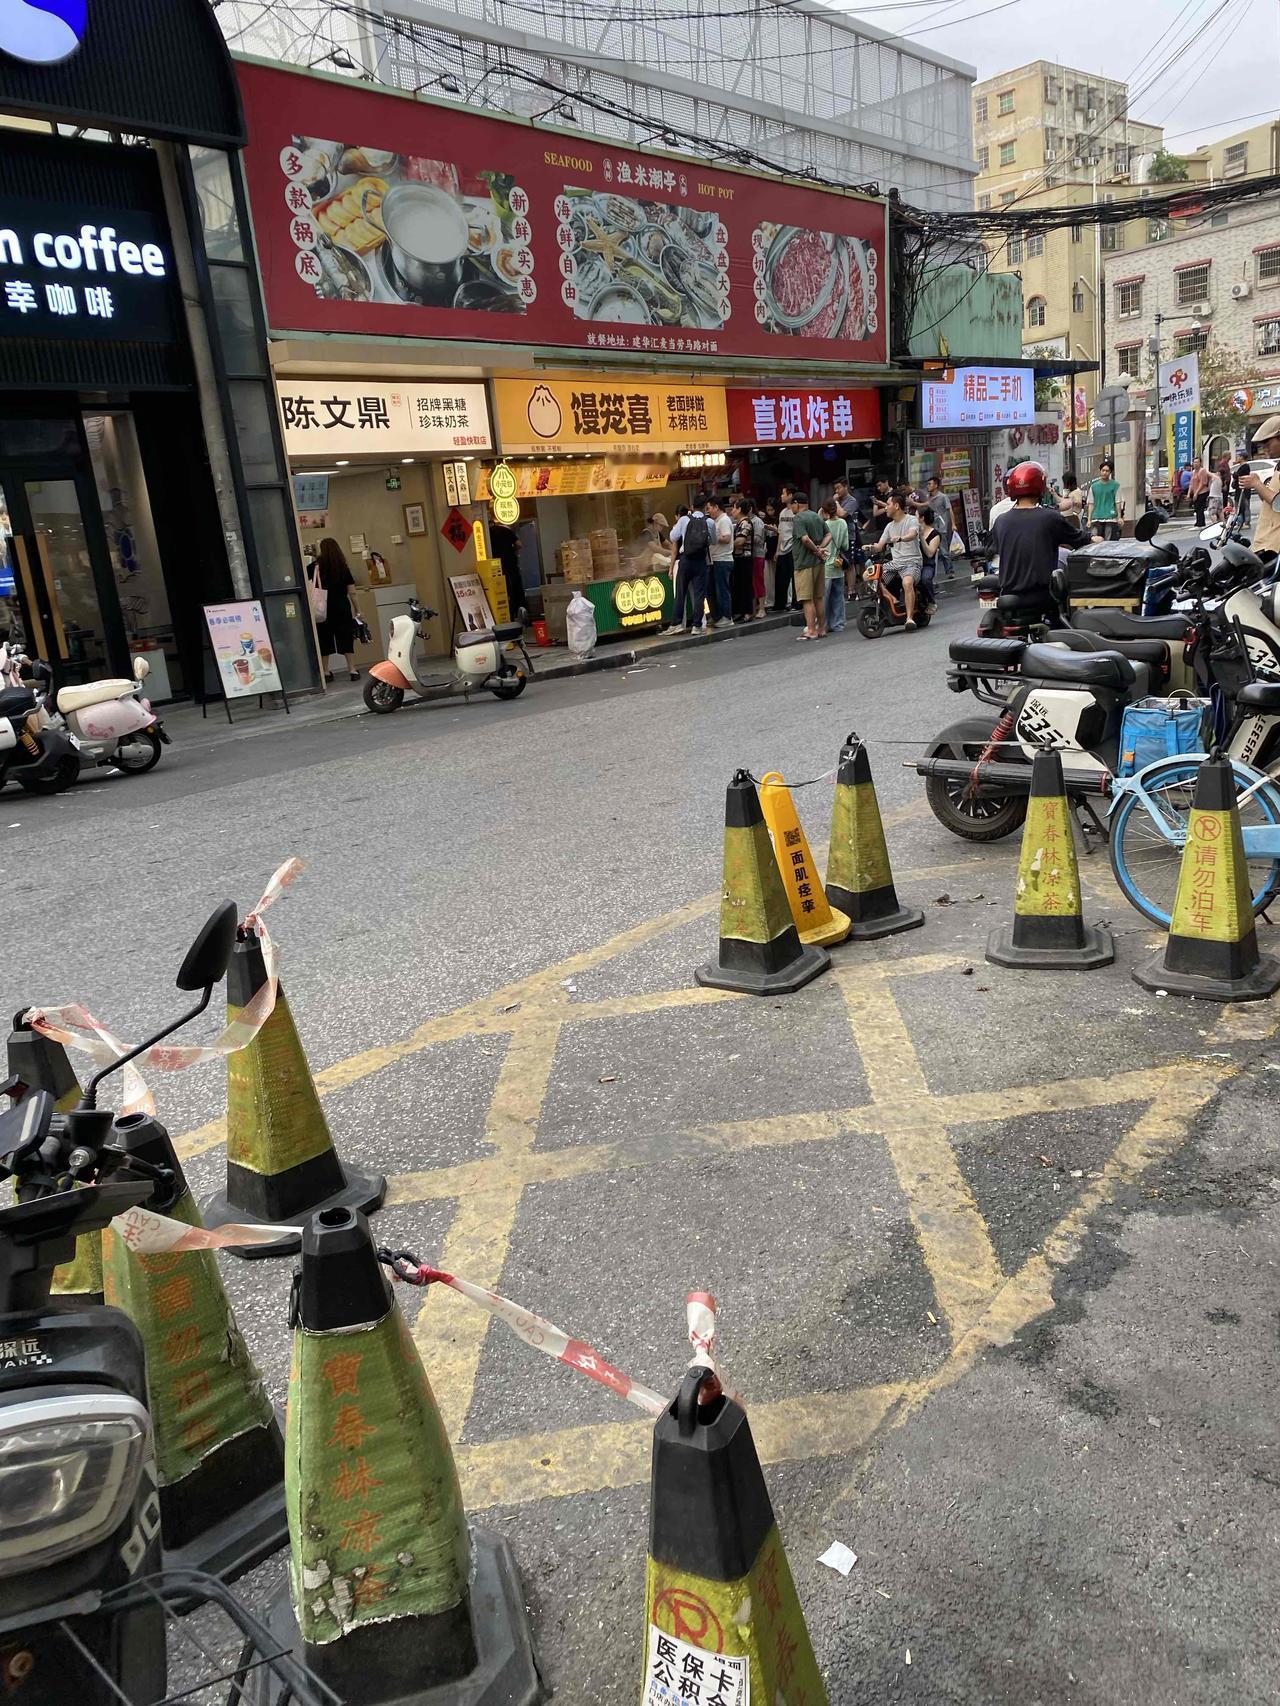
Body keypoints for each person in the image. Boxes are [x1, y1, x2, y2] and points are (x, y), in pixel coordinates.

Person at [990, 461, 1096, 624]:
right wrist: (1095, 539)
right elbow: (1080, 540)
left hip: (1008, 595)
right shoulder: (1050, 517)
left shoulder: (1000, 521)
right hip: (1042, 596)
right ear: (1039, 486)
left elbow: (994, 549)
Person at [870, 489, 925, 629]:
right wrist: (871, 547)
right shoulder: (889, 526)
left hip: (912, 562)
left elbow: (912, 534)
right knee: (869, 576)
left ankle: (909, 618)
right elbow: (880, 546)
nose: (885, 508)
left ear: (896, 506)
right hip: (895, 563)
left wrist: (901, 538)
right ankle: (892, 599)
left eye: (887, 504)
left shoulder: (912, 520)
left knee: (907, 582)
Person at [311, 536, 359, 680]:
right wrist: (358, 609)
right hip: (342, 607)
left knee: (324, 638)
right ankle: (352, 669)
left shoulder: (315, 567)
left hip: (323, 608)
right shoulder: (342, 567)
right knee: (346, 637)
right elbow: (352, 592)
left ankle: (326, 671)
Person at [1235, 416, 1280, 561]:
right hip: (1266, 542)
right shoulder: (1278, 466)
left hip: (1275, 547)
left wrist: (1257, 484)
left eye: (1268, 443)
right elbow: (1270, 501)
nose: (1265, 449)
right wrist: (1258, 485)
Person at [789, 491, 832, 640]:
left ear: (796, 503)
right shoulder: (816, 516)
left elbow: (805, 539)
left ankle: (811, 630)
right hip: (818, 563)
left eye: (792, 505)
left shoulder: (798, 518)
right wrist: (821, 548)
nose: (791, 508)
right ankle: (822, 628)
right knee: (818, 597)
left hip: (804, 563)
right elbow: (829, 535)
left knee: (807, 599)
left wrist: (816, 550)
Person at [665, 500, 711, 635]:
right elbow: (713, 540)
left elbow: (672, 537)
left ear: (692, 507)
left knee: (680, 593)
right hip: (701, 561)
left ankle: (677, 623)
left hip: (685, 560)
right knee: (699, 594)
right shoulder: (709, 522)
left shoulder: (683, 520)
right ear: (705, 507)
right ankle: (697, 626)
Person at [913, 476, 955, 575]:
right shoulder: (929, 497)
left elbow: (950, 510)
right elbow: (924, 506)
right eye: (927, 484)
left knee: (944, 551)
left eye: (930, 484)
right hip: (931, 527)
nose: (928, 486)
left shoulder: (943, 497)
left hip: (942, 527)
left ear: (936, 485)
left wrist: (953, 524)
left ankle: (949, 570)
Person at [820, 499, 849, 634]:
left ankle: (823, 623)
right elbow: (845, 545)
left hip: (826, 564)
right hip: (838, 562)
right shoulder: (843, 523)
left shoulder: (824, 525)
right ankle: (838, 624)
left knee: (824, 597)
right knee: (838, 596)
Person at [705, 497, 735, 628]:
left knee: (722, 590)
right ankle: (718, 616)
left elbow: (727, 538)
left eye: (710, 508)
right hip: (716, 560)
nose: (708, 511)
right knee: (714, 590)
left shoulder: (724, 520)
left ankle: (727, 617)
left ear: (716, 507)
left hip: (723, 559)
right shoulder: (716, 521)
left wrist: (713, 537)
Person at [730, 498, 754, 622]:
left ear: (739, 509)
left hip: (745, 558)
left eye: (734, 508)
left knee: (745, 585)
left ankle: (748, 612)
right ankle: (740, 611)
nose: (732, 511)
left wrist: (729, 545)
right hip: (739, 558)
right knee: (739, 585)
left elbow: (740, 541)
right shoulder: (739, 523)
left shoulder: (745, 523)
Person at [772, 485, 796, 613]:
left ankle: (796, 603)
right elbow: (781, 532)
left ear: (790, 495)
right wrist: (777, 550)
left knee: (794, 577)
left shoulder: (796, 512)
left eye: (784, 493)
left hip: (793, 547)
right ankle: (780, 604)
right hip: (782, 548)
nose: (781, 496)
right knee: (781, 578)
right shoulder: (782, 512)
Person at [1088, 460, 1122, 540]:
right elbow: (1091, 503)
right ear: (1100, 471)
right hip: (1096, 517)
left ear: (1110, 472)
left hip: (1110, 517)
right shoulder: (1093, 486)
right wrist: (1089, 519)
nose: (1104, 473)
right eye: (1103, 470)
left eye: (1107, 471)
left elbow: (1118, 502)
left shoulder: (1115, 485)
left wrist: (1119, 517)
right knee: (1095, 541)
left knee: (1108, 541)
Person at [750, 502, 768, 619]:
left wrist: (746, 536)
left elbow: (758, 538)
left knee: (758, 581)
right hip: (749, 555)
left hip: (757, 554)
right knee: (751, 582)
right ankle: (752, 609)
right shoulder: (745, 520)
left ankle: (762, 608)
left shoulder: (757, 521)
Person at [1188, 457, 1211, 529]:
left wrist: (1196, 493)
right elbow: (1191, 483)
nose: (1195, 464)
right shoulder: (1193, 472)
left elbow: (1203, 483)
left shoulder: (1202, 470)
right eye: (1194, 462)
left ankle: (1200, 523)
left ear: (1200, 463)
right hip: (1195, 492)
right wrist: (1189, 493)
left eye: (1197, 462)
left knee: (1200, 508)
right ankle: (1199, 522)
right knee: (1196, 508)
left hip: (1202, 492)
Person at [1233, 451, 1253, 525]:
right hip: (1239, 489)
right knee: (1239, 505)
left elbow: (1237, 475)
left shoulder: (1245, 466)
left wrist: (1235, 474)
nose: (1237, 458)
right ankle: (1240, 521)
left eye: (1238, 456)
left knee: (1245, 505)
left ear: (1242, 457)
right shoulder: (1241, 466)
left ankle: (1246, 522)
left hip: (1244, 489)